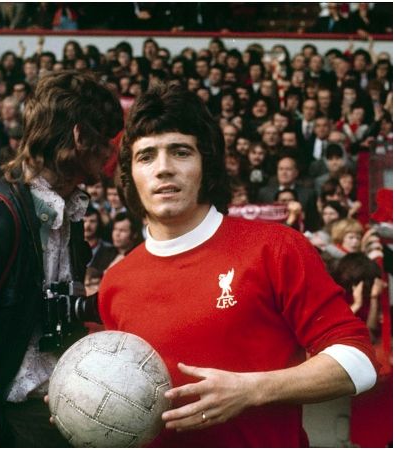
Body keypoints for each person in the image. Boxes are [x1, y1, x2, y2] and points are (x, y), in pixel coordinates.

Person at [97, 83, 376, 446]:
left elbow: (359, 360)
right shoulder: (116, 282)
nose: (163, 169)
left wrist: (252, 389)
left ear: (206, 164)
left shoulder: (275, 247)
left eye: (180, 152)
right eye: (146, 156)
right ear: (130, 175)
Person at [0, 71, 123, 447]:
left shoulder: (71, 210)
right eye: (109, 141)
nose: (114, 154)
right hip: (14, 415)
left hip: (61, 404)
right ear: (81, 137)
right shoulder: (1, 214)